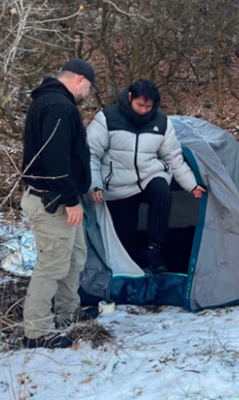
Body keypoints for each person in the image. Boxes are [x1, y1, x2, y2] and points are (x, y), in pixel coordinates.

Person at [87, 79, 205, 273]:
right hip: (118, 183)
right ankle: (133, 261)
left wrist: (192, 185)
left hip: (150, 175)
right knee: (126, 238)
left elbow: (173, 157)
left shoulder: (162, 122)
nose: (143, 110)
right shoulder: (107, 118)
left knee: (162, 192)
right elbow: (91, 153)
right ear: (130, 97)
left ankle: (155, 249)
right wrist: (95, 184)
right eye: (140, 105)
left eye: (148, 106)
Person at [20, 59, 99, 349]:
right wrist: (69, 200)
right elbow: (55, 162)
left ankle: (67, 313)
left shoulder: (54, 103)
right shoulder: (58, 107)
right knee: (52, 266)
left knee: (74, 257)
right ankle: (36, 332)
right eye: (89, 88)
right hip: (52, 202)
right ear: (79, 79)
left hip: (62, 200)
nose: (88, 94)